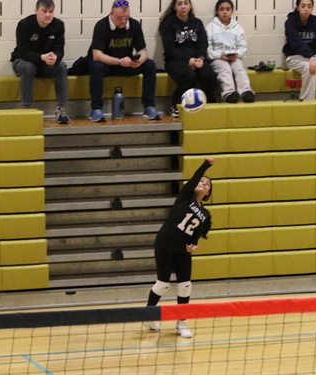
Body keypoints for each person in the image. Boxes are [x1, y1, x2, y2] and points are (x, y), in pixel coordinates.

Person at [144, 157, 214, 338]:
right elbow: (195, 178)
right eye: (201, 181)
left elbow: (197, 234)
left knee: (185, 285)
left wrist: (193, 245)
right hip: (166, 243)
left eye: (207, 184)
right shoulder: (186, 196)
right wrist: (205, 165)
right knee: (163, 284)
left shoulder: (205, 214)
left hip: (182, 250)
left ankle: (181, 322)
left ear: (208, 193)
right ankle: (149, 314)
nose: (203, 183)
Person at [88, 0, 161, 122]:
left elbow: (143, 51)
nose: (123, 21)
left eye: (126, 18)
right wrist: (118, 61)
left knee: (150, 64)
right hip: (109, 64)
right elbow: (97, 55)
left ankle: (149, 106)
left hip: (126, 64)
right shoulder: (101, 26)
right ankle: (96, 109)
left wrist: (139, 60)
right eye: (119, 18)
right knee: (96, 66)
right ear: (111, 14)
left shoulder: (134, 25)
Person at [10, 0, 70, 124]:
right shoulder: (24, 25)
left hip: (45, 64)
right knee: (29, 67)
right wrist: (42, 57)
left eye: (51, 11)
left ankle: (61, 109)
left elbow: (60, 50)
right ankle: (27, 108)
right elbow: (24, 52)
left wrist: (55, 57)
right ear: (36, 11)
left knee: (61, 66)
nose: (48, 15)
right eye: (44, 11)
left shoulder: (58, 25)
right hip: (22, 61)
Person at [159, 0, 219, 118]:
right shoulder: (168, 24)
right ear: (175, 7)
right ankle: (175, 105)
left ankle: (210, 104)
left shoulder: (197, 23)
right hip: (175, 61)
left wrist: (201, 58)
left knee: (209, 75)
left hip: (197, 60)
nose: (183, 7)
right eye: (180, 4)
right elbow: (170, 49)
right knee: (188, 75)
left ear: (190, 6)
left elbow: (203, 43)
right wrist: (188, 60)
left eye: (186, 3)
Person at [207, 0, 255, 104]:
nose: (225, 12)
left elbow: (243, 47)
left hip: (234, 57)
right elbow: (208, 50)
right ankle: (228, 93)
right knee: (225, 68)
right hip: (218, 59)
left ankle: (246, 91)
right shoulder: (210, 27)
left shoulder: (238, 28)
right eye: (221, 9)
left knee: (239, 67)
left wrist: (237, 54)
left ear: (232, 11)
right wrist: (220, 55)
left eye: (228, 9)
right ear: (217, 11)